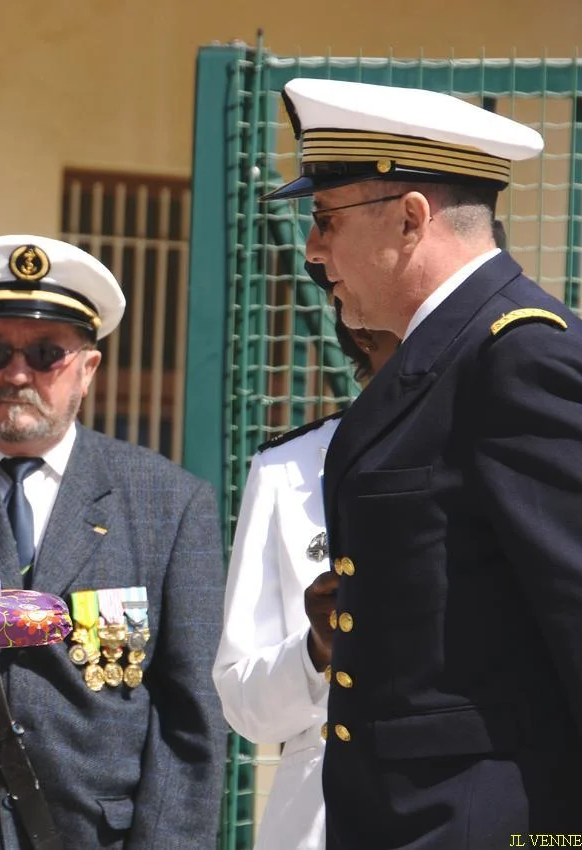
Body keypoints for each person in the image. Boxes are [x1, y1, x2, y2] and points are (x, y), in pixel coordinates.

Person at [264, 78, 582, 847]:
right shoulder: (441, 358)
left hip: (492, 820)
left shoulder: (518, 356)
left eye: (325, 219)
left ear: (410, 219)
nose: (311, 251)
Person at [0, 234, 227, 849]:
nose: (16, 373)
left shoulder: (167, 503)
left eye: (45, 354)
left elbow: (190, 722)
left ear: (88, 368)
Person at [213, 267, 398, 850]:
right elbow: (244, 705)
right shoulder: (287, 469)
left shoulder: (515, 445)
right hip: (323, 815)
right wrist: (316, 648)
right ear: (362, 334)